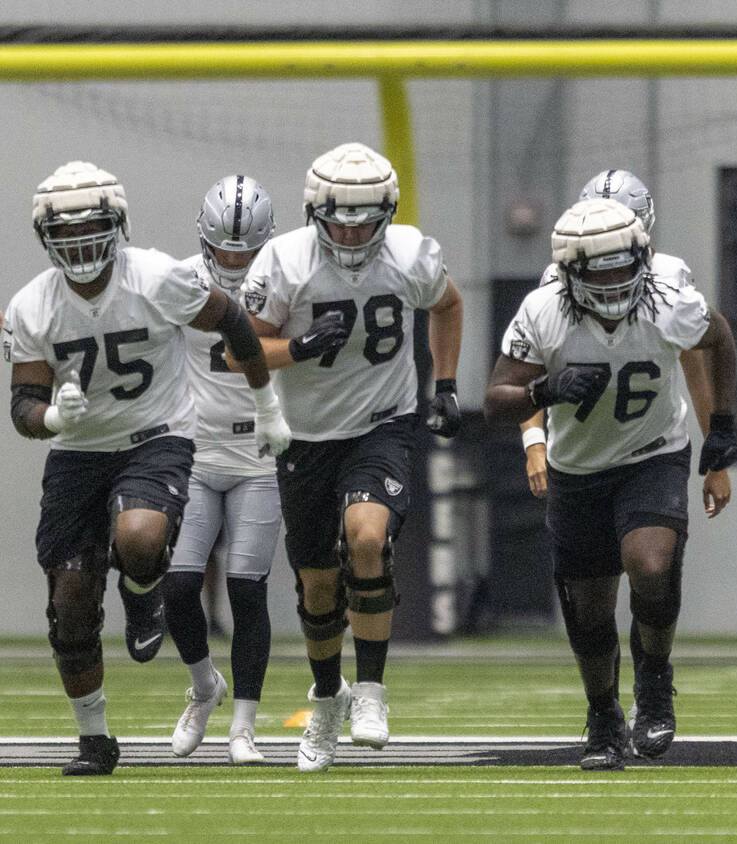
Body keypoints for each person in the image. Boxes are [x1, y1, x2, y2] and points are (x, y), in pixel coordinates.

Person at [4, 160, 290, 776]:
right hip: (77, 453)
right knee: (72, 600)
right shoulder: (31, 306)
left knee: (139, 539)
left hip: (154, 437)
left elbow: (236, 321)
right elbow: (22, 405)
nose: (81, 247)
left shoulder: (157, 276)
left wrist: (267, 405)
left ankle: (141, 592)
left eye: (92, 231)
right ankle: (95, 739)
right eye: (67, 235)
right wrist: (52, 416)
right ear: (44, 238)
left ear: (118, 226)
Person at [485, 197, 737, 771]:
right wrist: (543, 393)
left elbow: (719, 338)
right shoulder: (543, 309)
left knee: (650, 566)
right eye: (598, 268)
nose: (614, 278)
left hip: (653, 454)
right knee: (590, 608)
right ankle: (603, 716)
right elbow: (494, 400)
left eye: (624, 264)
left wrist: (720, 429)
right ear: (571, 270)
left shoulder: (670, 300)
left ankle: (653, 679)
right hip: (578, 470)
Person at [238, 141, 463, 772]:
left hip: (382, 423)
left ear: (386, 212)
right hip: (305, 435)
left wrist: (444, 385)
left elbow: (448, 303)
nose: (354, 230)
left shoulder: (411, 253)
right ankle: (328, 697)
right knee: (317, 583)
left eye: (367, 218)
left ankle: (371, 691)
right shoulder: (283, 261)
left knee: (367, 540)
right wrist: (300, 346)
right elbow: (238, 351)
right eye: (341, 217)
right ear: (316, 211)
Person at [521, 169, 729, 520]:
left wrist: (718, 457)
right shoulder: (557, 284)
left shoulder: (668, 279)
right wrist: (534, 443)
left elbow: (695, 363)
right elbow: (529, 367)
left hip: (653, 451)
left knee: (651, 564)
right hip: (578, 456)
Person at [162, 176, 282, 765]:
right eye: (227, 250)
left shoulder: (283, 278)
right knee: (180, 584)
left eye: (247, 251)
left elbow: (283, 349)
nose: (235, 262)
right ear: (205, 241)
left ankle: (243, 728)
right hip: (194, 451)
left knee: (246, 590)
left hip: (260, 452)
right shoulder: (181, 279)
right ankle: (205, 685)